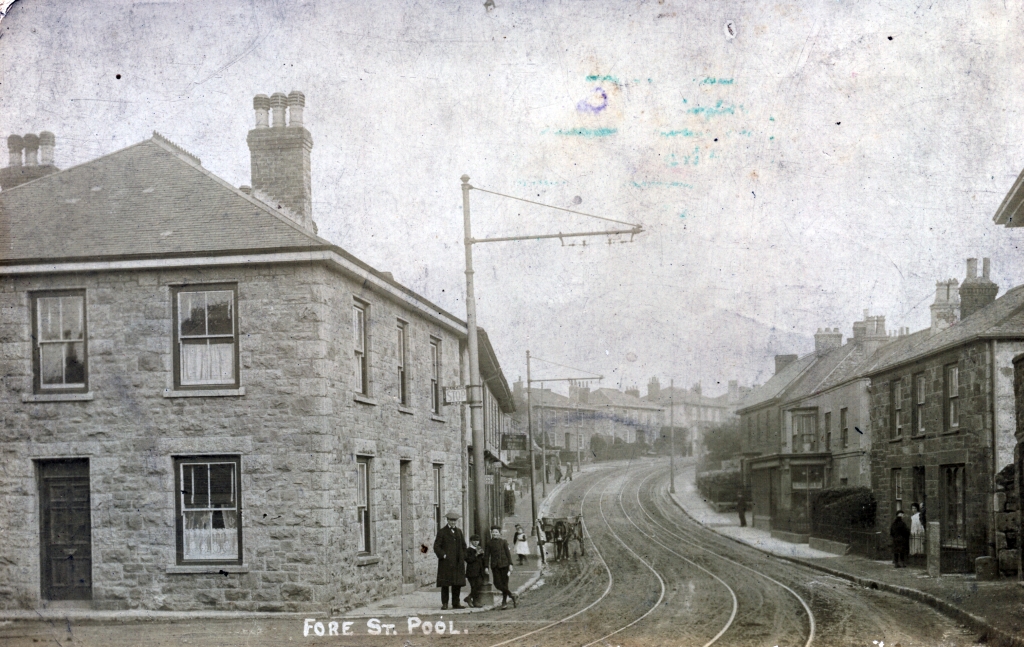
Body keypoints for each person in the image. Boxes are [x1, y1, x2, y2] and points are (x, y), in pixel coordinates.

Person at [433, 511, 467, 609]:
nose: (453, 522)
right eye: (451, 520)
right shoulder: (442, 532)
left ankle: (456, 603)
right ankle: (445, 603)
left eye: (454, 521)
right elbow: (436, 546)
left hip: (458, 562)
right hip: (446, 563)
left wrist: (463, 556)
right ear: (447, 520)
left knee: (457, 584)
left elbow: (464, 546)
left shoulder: (459, 532)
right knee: (445, 584)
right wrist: (443, 555)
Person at [484, 525, 517, 609]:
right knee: (497, 584)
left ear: (499, 533)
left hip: (504, 565)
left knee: (505, 584)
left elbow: (508, 554)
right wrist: (486, 566)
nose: (494, 534)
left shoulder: (503, 542)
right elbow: (487, 555)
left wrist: (510, 564)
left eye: (496, 532)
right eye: (493, 532)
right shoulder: (489, 543)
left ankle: (504, 602)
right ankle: (512, 595)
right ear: (491, 533)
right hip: (495, 566)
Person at [463, 535, 486, 608]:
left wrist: (483, 555)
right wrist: (476, 554)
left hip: (479, 571)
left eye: (477, 541)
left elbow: (482, 560)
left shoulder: (479, 549)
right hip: (472, 572)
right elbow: (468, 560)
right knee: (473, 586)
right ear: (471, 541)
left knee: (478, 585)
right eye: (474, 541)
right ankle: (475, 602)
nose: (476, 542)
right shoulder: (468, 550)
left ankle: (469, 598)